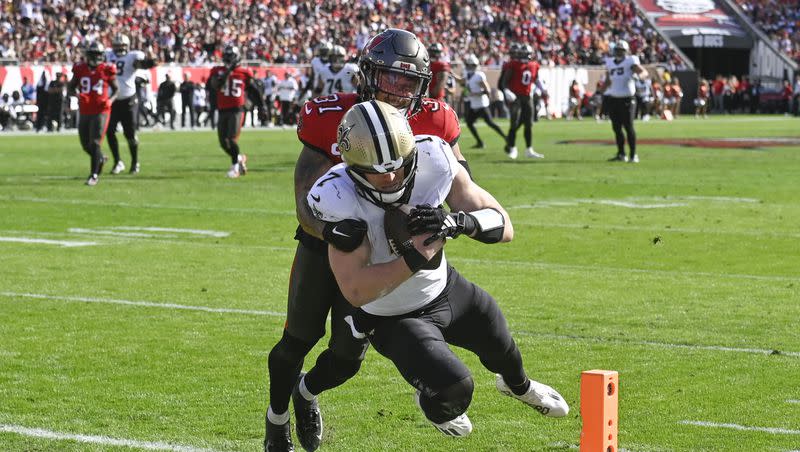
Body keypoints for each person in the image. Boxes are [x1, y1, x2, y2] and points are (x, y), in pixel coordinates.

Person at [307, 99, 569, 438]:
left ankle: (518, 387)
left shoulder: (434, 157)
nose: (389, 176)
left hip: (445, 289)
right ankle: (432, 403)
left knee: (503, 345)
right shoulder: (337, 195)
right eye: (376, 169)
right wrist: (418, 255)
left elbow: (504, 226)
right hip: (391, 316)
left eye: (398, 165)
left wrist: (457, 222)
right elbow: (356, 290)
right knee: (455, 388)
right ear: (353, 168)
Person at [264, 28, 468, 452]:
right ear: (368, 75)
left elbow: (461, 186)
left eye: (409, 81)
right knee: (297, 340)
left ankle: (306, 393)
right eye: (391, 78)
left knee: (345, 359)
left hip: (378, 253)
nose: (399, 90)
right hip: (326, 246)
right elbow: (305, 198)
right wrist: (328, 229)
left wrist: (448, 219)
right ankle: (276, 418)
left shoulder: (435, 120)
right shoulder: (329, 117)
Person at [207, 44, 265, 178]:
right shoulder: (217, 70)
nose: (228, 59)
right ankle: (239, 158)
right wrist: (228, 71)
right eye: (226, 57)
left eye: (230, 57)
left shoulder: (244, 72)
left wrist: (262, 106)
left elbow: (254, 90)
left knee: (232, 139)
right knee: (223, 143)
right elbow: (217, 85)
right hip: (222, 109)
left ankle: (235, 168)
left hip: (237, 110)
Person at [67, 41, 118, 186]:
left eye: (98, 55)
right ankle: (100, 158)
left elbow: (116, 90)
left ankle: (94, 175)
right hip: (85, 109)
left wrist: (110, 100)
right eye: (93, 54)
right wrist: (77, 95)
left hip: (101, 110)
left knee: (95, 142)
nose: (96, 58)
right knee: (85, 144)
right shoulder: (80, 69)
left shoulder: (107, 69)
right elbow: (71, 87)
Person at [106, 33, 157, 174]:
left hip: (129, 100)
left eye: (121, 46)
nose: (119, 48)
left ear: (127, 46)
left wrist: (151, 53)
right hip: (112, 100)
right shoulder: (107, 55)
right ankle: (118, 162)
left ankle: (135, 162)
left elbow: (148, 64)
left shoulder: (133, 56)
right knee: (109, 131)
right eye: (117, 46)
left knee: (130, 134)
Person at [603, 40, 648, 163]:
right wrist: (600, 91)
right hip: (614, 99)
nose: (619, 52)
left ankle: (633, 155)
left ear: (626, 51)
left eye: (621, 50)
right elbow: (608, 80)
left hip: (628, 99)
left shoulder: (630, 61)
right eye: (617, 50)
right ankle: (621, 154)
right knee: (616, 128)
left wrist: (640, 76)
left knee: (628, 127)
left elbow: (643, 72)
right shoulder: (610, 63)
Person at [498, 43, 544, 159]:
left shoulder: (534, 65)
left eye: (526, 54)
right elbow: (504, 82)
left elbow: (536, 79)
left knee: (529, 124)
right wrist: (507, 91)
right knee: (514, 123)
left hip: (527, 96)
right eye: (523, 53)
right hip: (516, 97)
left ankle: (529, 149)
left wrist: (542, 88)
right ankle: (512, 148)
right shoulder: (513, 64)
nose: (525, 56)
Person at [462, 54, 506, 148]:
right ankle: (480, 142)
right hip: (474, 104)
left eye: (472, 65)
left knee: (490, 123)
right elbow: (462, 82)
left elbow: (487, 90)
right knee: (469, 123)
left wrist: (475, 94)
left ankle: (506, 138)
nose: (470, 67)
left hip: (482, 104)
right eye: (469, 65)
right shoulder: (468, 75)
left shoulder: (479, 75)